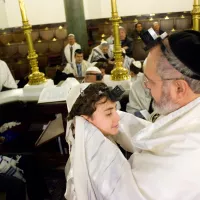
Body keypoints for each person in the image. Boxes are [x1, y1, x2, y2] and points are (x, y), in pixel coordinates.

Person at [64, 30, 200, 200]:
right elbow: (156, 136)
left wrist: (89, 133)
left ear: (179, 88)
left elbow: (121, 193)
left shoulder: (187, 157)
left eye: (150, 80)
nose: (146, 86)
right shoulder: (189, 114)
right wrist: (107, 118)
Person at [65, 82, 125, 200]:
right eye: (108, 113)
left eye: (115, 110)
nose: (117, 118)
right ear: (86, 119)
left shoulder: (97, 137)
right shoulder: (97, 157)